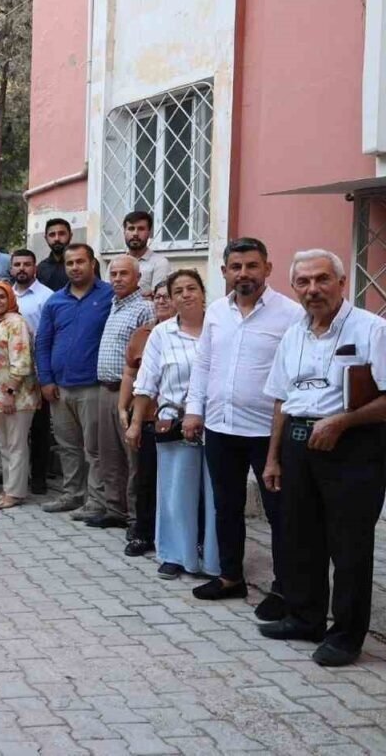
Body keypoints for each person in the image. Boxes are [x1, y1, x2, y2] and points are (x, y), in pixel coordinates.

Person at [258, 250, 386, 667]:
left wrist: (344, 421)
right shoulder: (293, 334)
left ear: (342, 282)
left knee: (349, 545)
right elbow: (282, 399)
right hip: (298, 443)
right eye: (304, 282)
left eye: (322, 279)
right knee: (301, 538)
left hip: (353, 446)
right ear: (294, 287)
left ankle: (346, 636)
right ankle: (305, 618)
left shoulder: (372, 329)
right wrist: (273, 458)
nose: (313, 289)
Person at [183, 237, 303, 617]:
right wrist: (194, 410)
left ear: (268, 268)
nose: (244, 273)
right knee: (226, 506)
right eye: (236, 267)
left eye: (252, 266)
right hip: (221, 426)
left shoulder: (290, 314)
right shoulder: (217, 312)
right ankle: (231, 576)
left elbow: (295, 374)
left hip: (269, 433)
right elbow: (204, 364)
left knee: (280, 512)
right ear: (224, 272)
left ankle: (286, 588)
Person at [131, 269, 218, 583]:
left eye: (191, 288)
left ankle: (215, 558)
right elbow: (146, 381)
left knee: (215, 495)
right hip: (173, 423)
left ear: (203, 293)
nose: (185, 295)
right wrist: (136, 423)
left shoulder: (219, 327)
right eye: (178, 291)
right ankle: (175, 555)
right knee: (174, 493)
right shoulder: (162, 333)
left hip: (217, 423)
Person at [34, 243, 113, 514]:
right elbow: (42, 342)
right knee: (67, 446)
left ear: (92, 264)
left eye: (80, 262)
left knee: (95, 448)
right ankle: (72, 494)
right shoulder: (55, 301)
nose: (75, 267)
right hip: (60, 388)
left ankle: (97, 501)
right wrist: (46, 380)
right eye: (70, 263)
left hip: (93, 386)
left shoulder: (109, 296)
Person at [85, 255, 154, 529]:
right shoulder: (114, 304)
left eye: (123, 273)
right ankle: (115, 509)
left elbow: (144, 357)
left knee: (132, 457)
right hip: (105, 389)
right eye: (113, 274)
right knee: (109, 454)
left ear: (138, 277)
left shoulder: (144, 309)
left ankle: (137, 517)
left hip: (131, 393)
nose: (117, 279)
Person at [118, 280, 176, 557]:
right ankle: (143, 532)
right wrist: (123, 407)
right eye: (157, 297)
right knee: (145, 478)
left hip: (179, 419)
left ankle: (178, 536)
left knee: (176, 482)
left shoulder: (195, 331)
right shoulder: (142, 334)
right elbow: (130, 373)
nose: (161, 301)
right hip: (147, 416)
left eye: (167, 296)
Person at [0, 280, 40, 509]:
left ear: (10, 299)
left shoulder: (16, 323)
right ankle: (8, 488)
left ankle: (15, 492)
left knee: (16, 445)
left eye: (1, 297)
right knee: (5, 445)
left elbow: (22, 361)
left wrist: (10, 392)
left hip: (16, 397)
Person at [12, 247, 54, 495]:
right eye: (17, 264)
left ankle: (38, 477)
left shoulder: (46, 296)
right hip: (11, 373)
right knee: (14, 427)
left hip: (37, 369)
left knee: (38, 427)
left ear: (34, 268)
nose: (21, 269)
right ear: (11, 268)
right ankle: (15, 474)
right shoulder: (6, 294)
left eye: (26, 264)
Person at [119, 210, 172, 295]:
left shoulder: (160, 263)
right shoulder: (115, 263)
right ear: (124, 232)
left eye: (141, 229)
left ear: (149, 233)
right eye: (131, 229)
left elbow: (158, 297)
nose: (135, 233)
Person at [36, 219, 72, 291]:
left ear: (70, 236)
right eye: (52, 235)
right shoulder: (41, 268)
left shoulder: (84, 263)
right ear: (46, 238)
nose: (57, 239)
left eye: (61, 234)